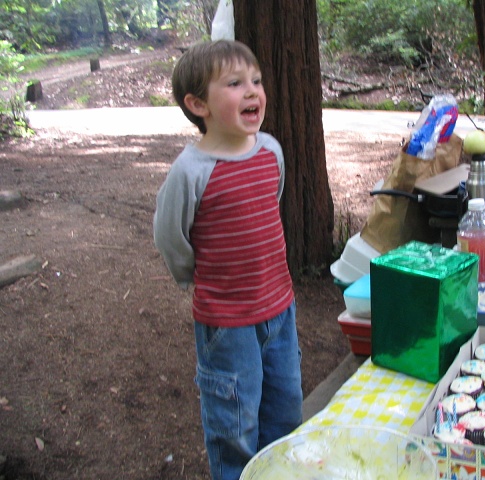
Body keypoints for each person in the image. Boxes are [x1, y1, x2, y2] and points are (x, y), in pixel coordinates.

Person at [153, 40, 302, 480]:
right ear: (198, 104)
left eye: (256, 80)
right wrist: (196, 278)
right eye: (235, 83)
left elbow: (268, 209)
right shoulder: (191, 171)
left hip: (280, 310)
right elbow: (170, 237)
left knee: (285, 410)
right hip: (227, 324)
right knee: (235, 425)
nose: (253, 90)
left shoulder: (270, 151)